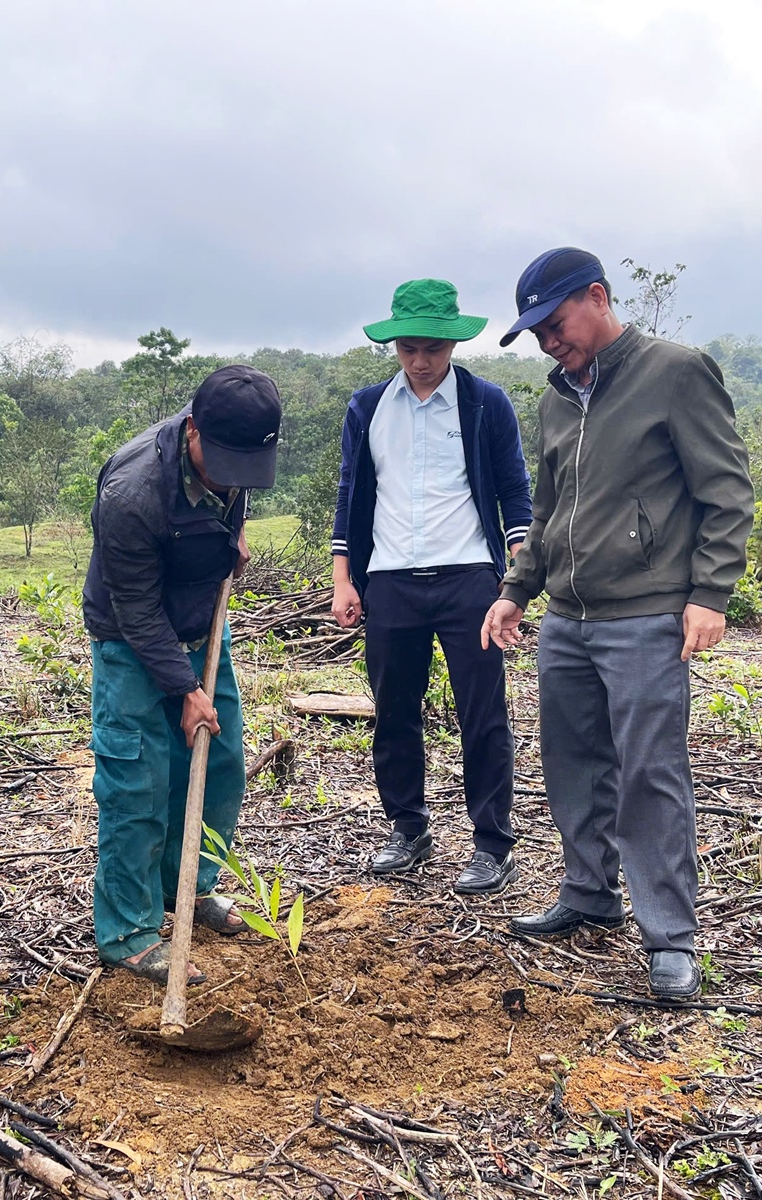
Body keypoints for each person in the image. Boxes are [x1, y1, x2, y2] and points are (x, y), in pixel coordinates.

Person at [482, 248, 754, 999]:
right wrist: (516, 589)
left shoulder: (674, 371)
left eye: (554, 322)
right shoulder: (554, 399)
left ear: (596, 297)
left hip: (646, 614)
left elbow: (726, 492)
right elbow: (548, 512)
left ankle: (670, 936)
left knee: (649, 772)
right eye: (534, 331)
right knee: (572, 764)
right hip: (567, 617)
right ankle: (588, 894)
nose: (547, 341)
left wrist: (711, 593)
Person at [330, 280, 533, 893]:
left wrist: (515, 582)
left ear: (453, 343)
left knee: (482, 712)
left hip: (469, 578)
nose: (421, 361)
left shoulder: (484, 404)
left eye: (434, 348)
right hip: (390, 579)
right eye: (410, 348)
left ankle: (493, 844)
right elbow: (352, 497)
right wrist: (345, 578)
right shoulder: (368, 408)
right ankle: (408, 828)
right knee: (393, 711)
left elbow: (514, 492)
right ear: (393, 343)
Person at [82, 365, 282, 983]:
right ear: (193, 431)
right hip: (132, 640)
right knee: (138, 781)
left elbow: (232, 500)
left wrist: (233, 535)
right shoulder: (134, 491)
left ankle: (187, 887)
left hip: (202, 628)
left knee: (219, 767)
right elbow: (136, 610)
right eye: (223, 463)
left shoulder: (233, 459)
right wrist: (186, 689)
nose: (233, 479)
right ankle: (130, 931)